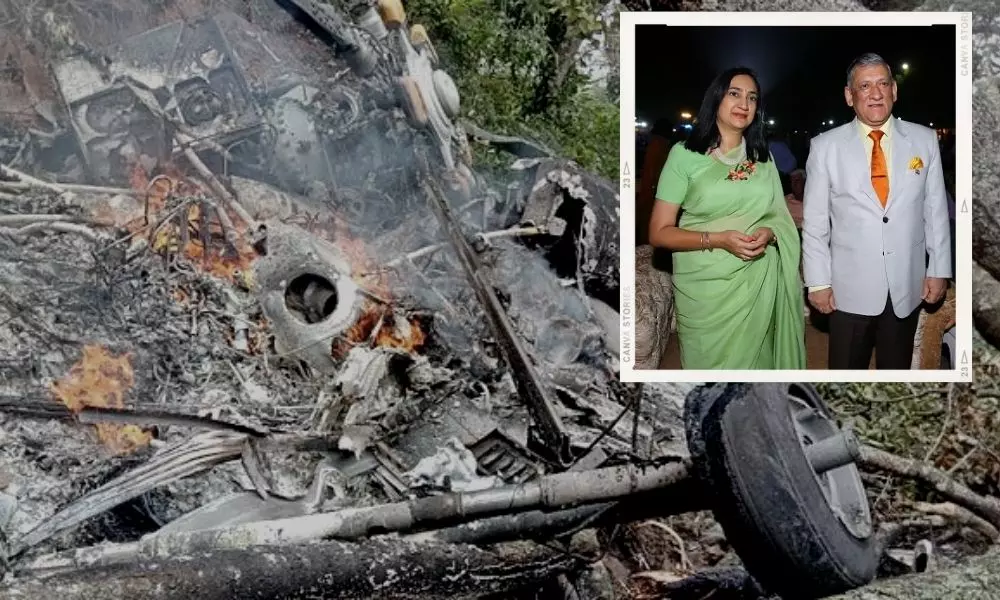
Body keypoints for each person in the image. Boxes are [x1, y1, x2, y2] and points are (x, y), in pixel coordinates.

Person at [648, 66, 805, 369]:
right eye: (734, 94)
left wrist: (769, 233)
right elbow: (658, 232)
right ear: (716, 98)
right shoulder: (684, 155)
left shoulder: (763, 159)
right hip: (704, 288)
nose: (744, 104)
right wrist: (719, 240)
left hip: (756, 280)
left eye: (752, 98)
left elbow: (779, 218)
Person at [802, 53, 952, 370]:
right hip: (848, 288)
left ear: (894, 90)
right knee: (845, 371)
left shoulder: (924, 141)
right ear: (849, 95)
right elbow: (815, 223)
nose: (875, 93)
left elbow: (935, 210)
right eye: (865, 85)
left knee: (895, 372)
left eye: (883, 83)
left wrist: (939, 268)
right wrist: (817, 282)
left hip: (907, 283)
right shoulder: (825, 147)